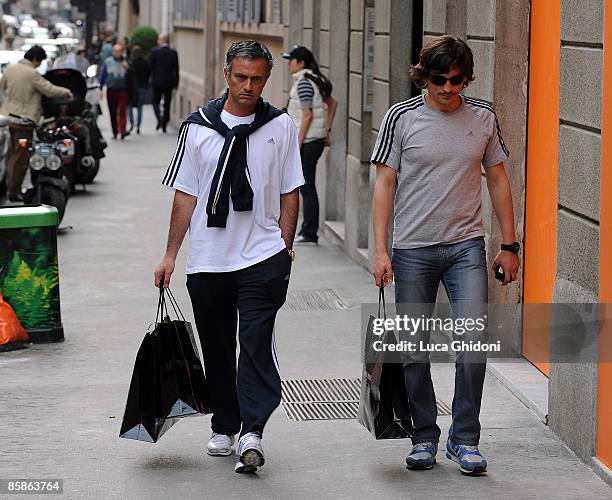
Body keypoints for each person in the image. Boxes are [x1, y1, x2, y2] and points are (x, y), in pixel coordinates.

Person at [371, 36, 520, 475]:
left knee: (472, 347)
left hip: (466, 247)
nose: (448, 88)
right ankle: (423, 437)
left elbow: (498, 181)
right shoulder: (402, 117)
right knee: (415, 350)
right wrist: (379, 250)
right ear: (425, 76)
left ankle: (465, 440)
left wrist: (509, 245)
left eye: (457, 80)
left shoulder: (484, 118)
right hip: (412, 249)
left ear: (467, 78)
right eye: (439, 79)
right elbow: (384, 184)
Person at [154, 40, 304, 474]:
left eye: (257, 79)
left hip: (263, 256)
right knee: (218, 347)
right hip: (209, 258)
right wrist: (169, 255)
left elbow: (290, 188)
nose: (248, 86)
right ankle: (224, 424)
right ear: (226, 75)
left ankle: (253, 431)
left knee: (255, 344)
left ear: (266, 79)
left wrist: (286, 245)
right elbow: (186, 194)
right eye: (241, 77)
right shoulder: (196, 127)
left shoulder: (280, 126)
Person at [0, 45, 72, 202]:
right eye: (39, 62)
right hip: (23, 121)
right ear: (35, 59)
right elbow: (49, 89)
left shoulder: (11, 69)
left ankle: (8, 187)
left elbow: (3, 87)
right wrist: (66, 92)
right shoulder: (32, 74)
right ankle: (14, 190)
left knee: (10, 156)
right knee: (20, 158)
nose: (39, 65)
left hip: (7, 118)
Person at [283, 45, 337, 245]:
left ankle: (309, 232)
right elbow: (333, 102)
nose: (289, 64)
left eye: (292, 60)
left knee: (306, 187)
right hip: (315, 140)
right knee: (307, 185)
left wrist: (298, 142)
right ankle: (308, 231)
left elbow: (307, 114)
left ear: (301, 63)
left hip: (307, 142)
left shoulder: (304, 83)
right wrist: (327, 129)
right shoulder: (316, 79)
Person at [149, 34, 179, 133]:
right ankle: (164, 123)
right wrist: (176, 82)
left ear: (161, 41)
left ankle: (159, 119)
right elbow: (176, 69)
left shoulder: (154, 52)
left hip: (157, 82)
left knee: (155, 102)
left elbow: (150, 67)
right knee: (167, 104)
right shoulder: (173, 53)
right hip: (169, 82)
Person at [100, 44, 130, 139]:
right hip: (111, 89)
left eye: (119, 51)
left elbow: (132, 75)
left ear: (121, 52)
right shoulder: (108, 61)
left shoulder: (126, 61)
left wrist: (128, 68)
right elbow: (103, 75)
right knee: (112, 111)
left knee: (122, 111)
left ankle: (123, 130)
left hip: (122, 89)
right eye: (115, 51)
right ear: (113, 52)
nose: (117, 53)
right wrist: (101, 88)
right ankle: (115, 131)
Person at [127, 45, 149, 135]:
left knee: (130, 106)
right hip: (142, 87)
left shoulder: (131, 63)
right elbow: (148, 75)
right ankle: (138, 126)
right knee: (140, 108)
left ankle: (132, 122)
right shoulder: (145, 63)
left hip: (132, 88)